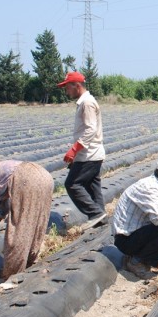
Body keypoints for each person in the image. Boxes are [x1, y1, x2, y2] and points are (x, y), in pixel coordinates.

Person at [58, 71, 106, 229]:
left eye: (67, 87)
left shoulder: (87, 103)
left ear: (76, 85)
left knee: (72, 184)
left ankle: (96, 214)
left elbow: (90, 129)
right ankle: (101, 220)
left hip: (89, 154)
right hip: (90, 154)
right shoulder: (84, 102)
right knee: (92, 186)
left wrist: (74, 149)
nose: (66, 91)